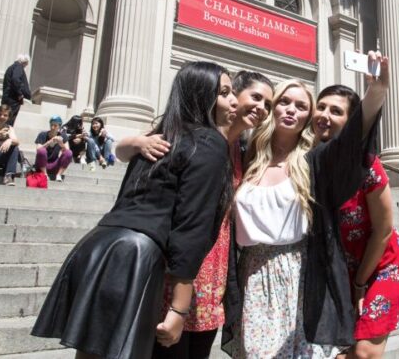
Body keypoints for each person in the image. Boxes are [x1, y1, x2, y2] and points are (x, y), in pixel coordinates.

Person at [31, 61, 238, 359]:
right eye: (224, 93)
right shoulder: (209, 142)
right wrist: (179, 309)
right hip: (135, 254)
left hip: (99, 245)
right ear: (201, 95)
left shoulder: (161, 136)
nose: (233, 100)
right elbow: (191, 226)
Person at [223, 53, 388, 358]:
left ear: (307, 118)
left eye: (301, 106)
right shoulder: (246, 155)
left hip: (299, 275)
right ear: (272, 108)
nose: (291, 110)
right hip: (253, 273)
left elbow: (350, 142)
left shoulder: (315, 162)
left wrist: (376, 92)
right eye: (285, 102)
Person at [125, 70, 273, 359]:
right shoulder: (194, 136)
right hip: (179, 265)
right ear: (232, 97)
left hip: (215, 273)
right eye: (255, 97)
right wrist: (132, 142)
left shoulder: (246, 150)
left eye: (267, 103)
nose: (261, 108)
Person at [312, 84, 399, 359]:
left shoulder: (367, 167)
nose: (325, 115)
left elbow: (383, 231)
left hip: (383, 264)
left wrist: (359, 282)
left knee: (365, 352)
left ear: (351, 122)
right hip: (340, 269)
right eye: (320, 107)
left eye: (336, 111)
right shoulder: (306, 162)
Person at [35, 115, 74, 182]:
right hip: (41, 165)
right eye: (51, 125)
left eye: (55, 125)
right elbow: (38, 150)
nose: (53, 127)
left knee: (69, 153)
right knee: (42, 151)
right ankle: (44, 174)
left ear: (59, 126)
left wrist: (61, 144)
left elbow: (67, 151)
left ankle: (59, 175)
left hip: (54, 165)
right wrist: (49, 142)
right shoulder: (42, 134)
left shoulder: (63, 136)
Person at [1, 54, 32, 126]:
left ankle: (3, 134)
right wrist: (20, 94)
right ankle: (4, 135)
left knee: (5, 118)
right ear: (24, 62)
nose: (25, 66)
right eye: (26, 64)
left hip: (8, 97)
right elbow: (15, 79)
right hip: (13, 99)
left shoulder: (11, 67)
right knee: (9, 120)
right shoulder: (18, 67)